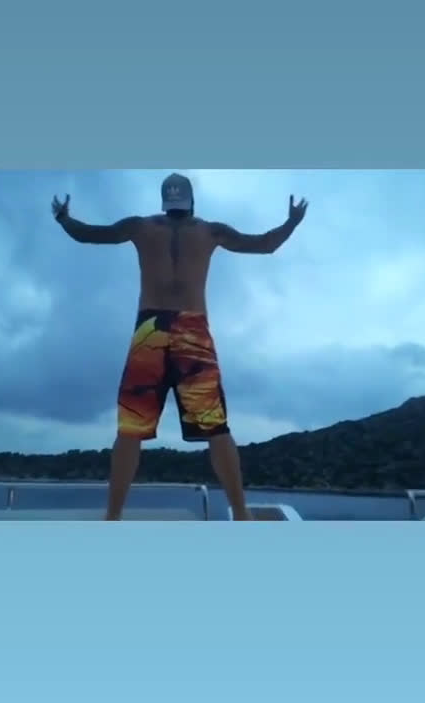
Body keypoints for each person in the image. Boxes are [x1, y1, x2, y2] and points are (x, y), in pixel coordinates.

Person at [52, 173, 308, 520]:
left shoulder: (140, 227)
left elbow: (91, 234)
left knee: (130, 429)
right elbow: (265, 244)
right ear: (191, 201)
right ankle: (241, 515)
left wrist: (63, 218)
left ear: (164, 202)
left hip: (150, 330)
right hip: (192, 331)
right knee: (217, 429)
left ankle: (112, 519)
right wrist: (292, 222)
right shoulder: (211, 231)